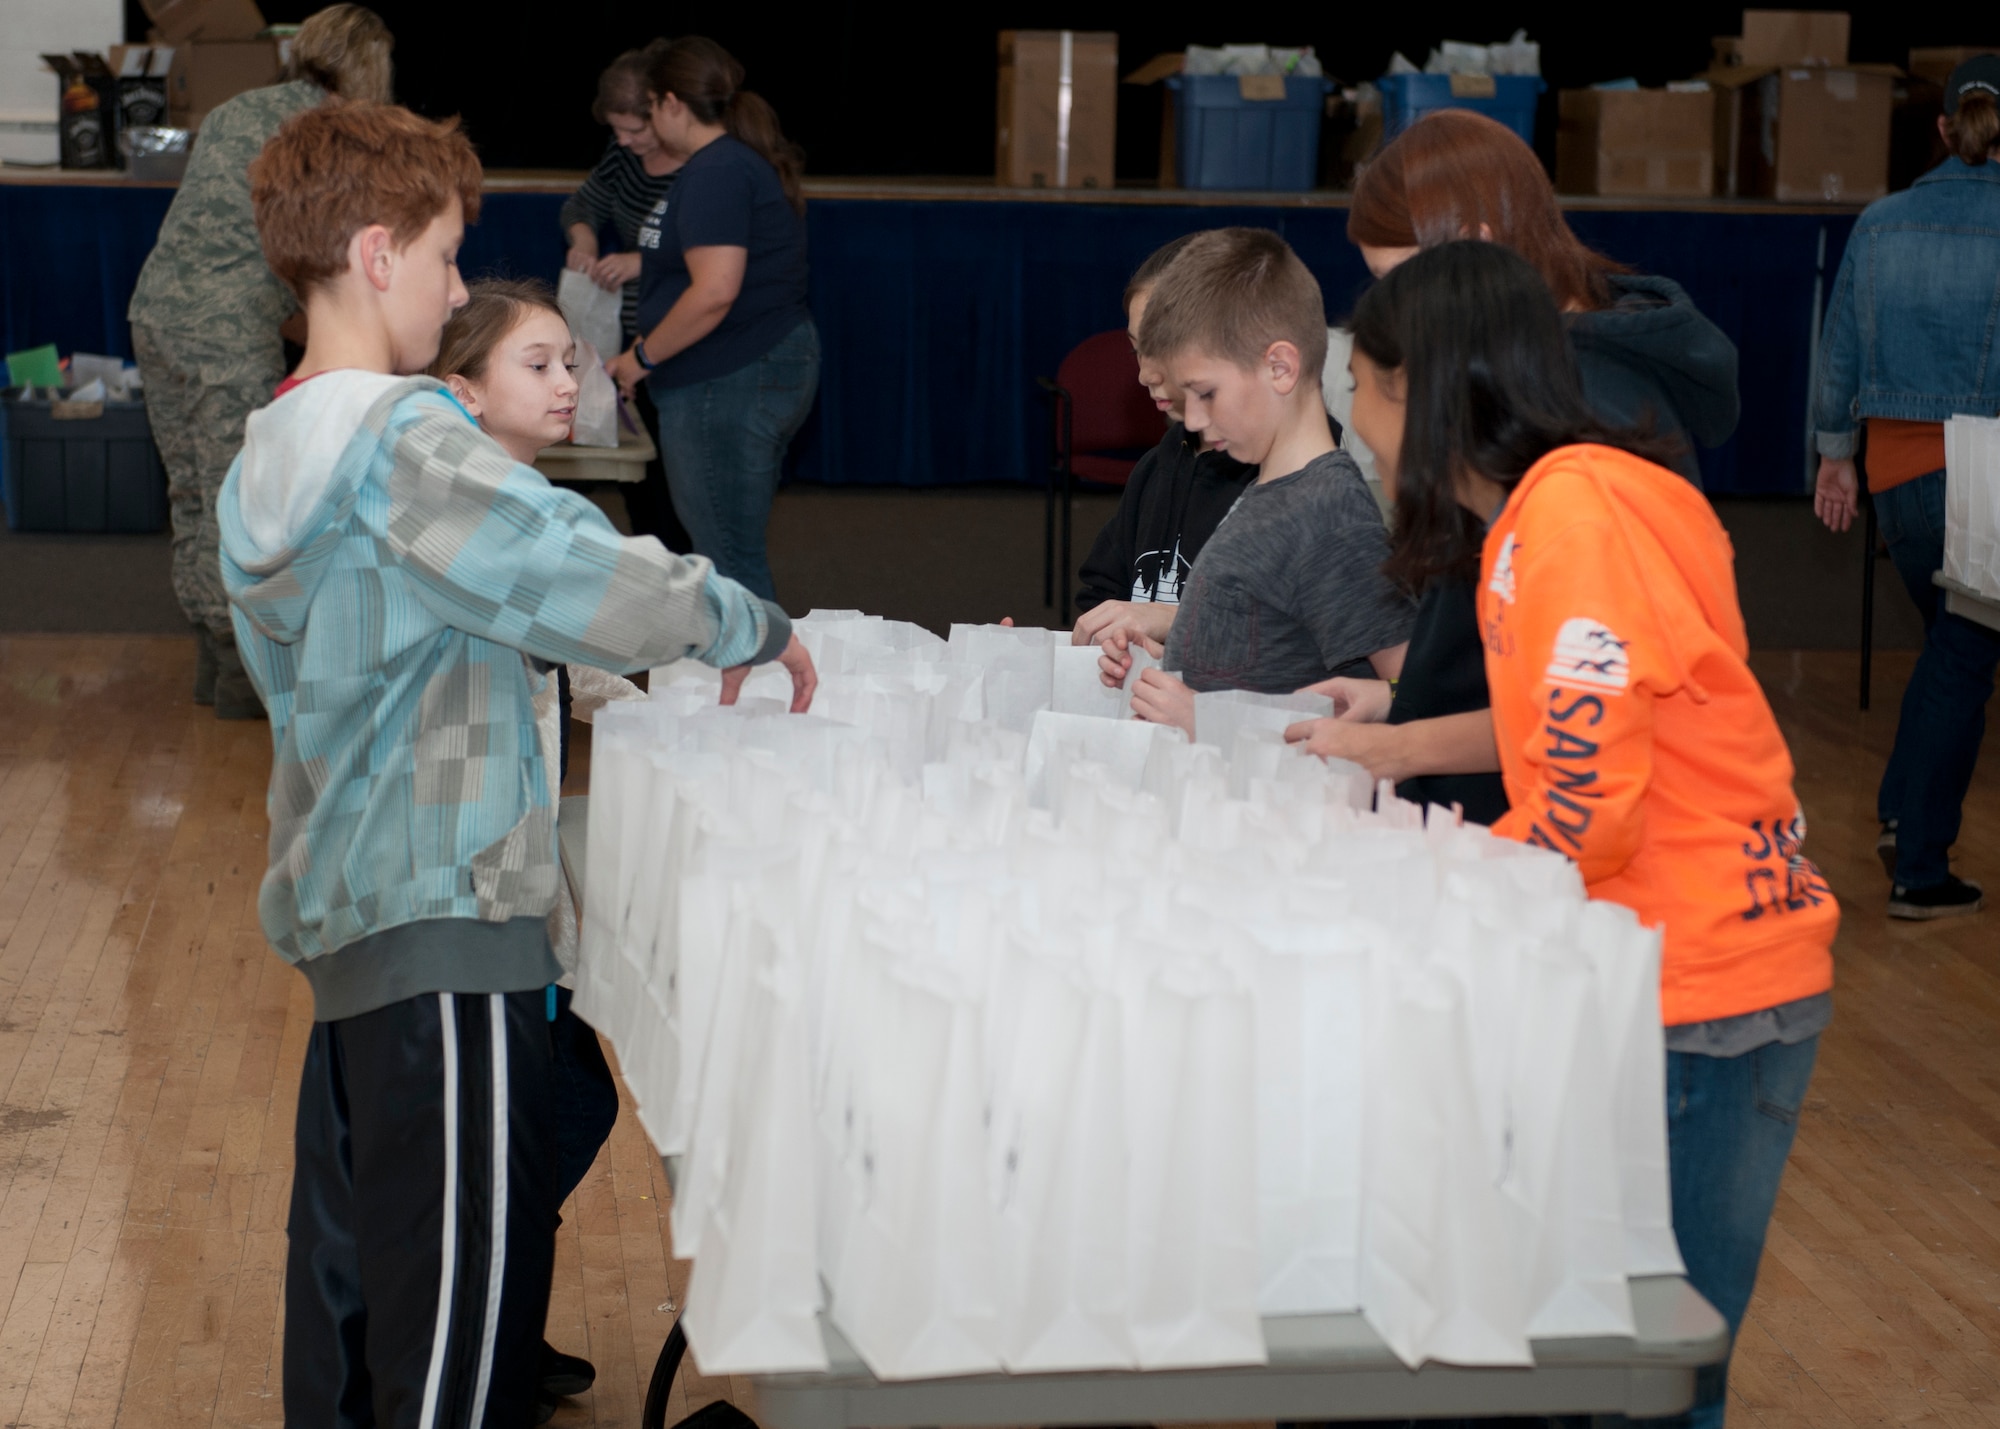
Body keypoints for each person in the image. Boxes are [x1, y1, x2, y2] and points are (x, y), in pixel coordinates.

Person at [220, 101, 815, 1426]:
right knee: (457, 1340)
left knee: (356, 1304)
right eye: (441, 259)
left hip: (354, 908)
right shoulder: (401, 442)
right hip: (445, 922)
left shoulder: (274, 444)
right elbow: (579, 576)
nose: (450, 290)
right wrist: (750, 618)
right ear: (377, 257)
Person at [1351, 239, 1837, 1429]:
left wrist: (1435, 884)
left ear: (1414, 387)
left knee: (1643, 1381)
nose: (1348, 414)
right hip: (1645, 972)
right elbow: (1568, 750)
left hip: (1698, 992)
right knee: (1601, 1360)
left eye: (1355, 383)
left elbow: (1581, 813)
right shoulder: (1539, 515)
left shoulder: (1573, 514)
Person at [1289, 109, 1745, 821]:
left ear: (1475, 251)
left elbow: (1591, 732)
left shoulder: (1583, 430)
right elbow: (1516, 656)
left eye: (1397, 279)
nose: (1389, 312)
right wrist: (1404, 709)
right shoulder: (1531, 390)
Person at [430, 278, 648, 1420]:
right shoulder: (475, 520)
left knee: (556, 1106)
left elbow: (584, 662)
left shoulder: (537, 506)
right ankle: (475, 1334)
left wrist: (677, 698)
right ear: (460, 391)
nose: (571, 383)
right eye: (539, 366)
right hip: (467, 884)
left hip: (512, 876)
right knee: (545, 1110)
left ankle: (499, 1322)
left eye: (572, 362)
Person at [128, 3, 392, 719]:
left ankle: (212, 666)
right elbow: (316, 263)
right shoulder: (328, 137)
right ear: (369, 68)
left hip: (155, 315)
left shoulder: (235, 109)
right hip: (224, 333)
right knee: (233, 497)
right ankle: (241, 673)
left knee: (188, 491)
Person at [1812, 55, 2000, 920]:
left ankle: (1899, 811)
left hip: (1901, 474)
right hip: (1987, 469)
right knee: (1964, 656)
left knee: (1950, 647)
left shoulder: (1881, 223)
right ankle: (1920, 865)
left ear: (1940, 126)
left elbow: (1838, 348)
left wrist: (1835, 455)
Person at [1106, 228, 1412, 737]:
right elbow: (1275, 660)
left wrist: (1208, 719)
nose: (1196, 420)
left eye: (1206, 393)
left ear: (1280, 367)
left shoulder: (1327, 512)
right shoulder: (1269, 490)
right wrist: (1174, 661)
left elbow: (1415, 696)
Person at [604, 36, 817, 603]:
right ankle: (746, 681)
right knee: (725, 550)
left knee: (726, 560)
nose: (647, 122)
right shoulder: (728, 163)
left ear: (672, 104)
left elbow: (715, 291)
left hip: (726, 377)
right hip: (731, 373)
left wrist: (639, 358)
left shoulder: (717, 170)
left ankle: (752, 685)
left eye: (649, 109)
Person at [1071, 234, 1258, 651]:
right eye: (1138, 350)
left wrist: (1176, 626)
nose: (1144, 375)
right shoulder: (1158, 467)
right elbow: (1103, 589)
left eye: (1161, 350)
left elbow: (1291, 641)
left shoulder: (1284, 481)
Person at [562, 42, 693, 553]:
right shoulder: (623, 154)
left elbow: (717, 266)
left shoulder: (703, 169)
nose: (624, 140)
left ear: (666, 110)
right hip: (626, 346)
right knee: (638, 480)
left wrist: (645, 260)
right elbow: (582, 204)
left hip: (674, 344)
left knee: (675, 483)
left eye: (635, 130)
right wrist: (585, 237)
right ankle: (658, 574)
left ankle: (690, 584)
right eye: (615, 130)